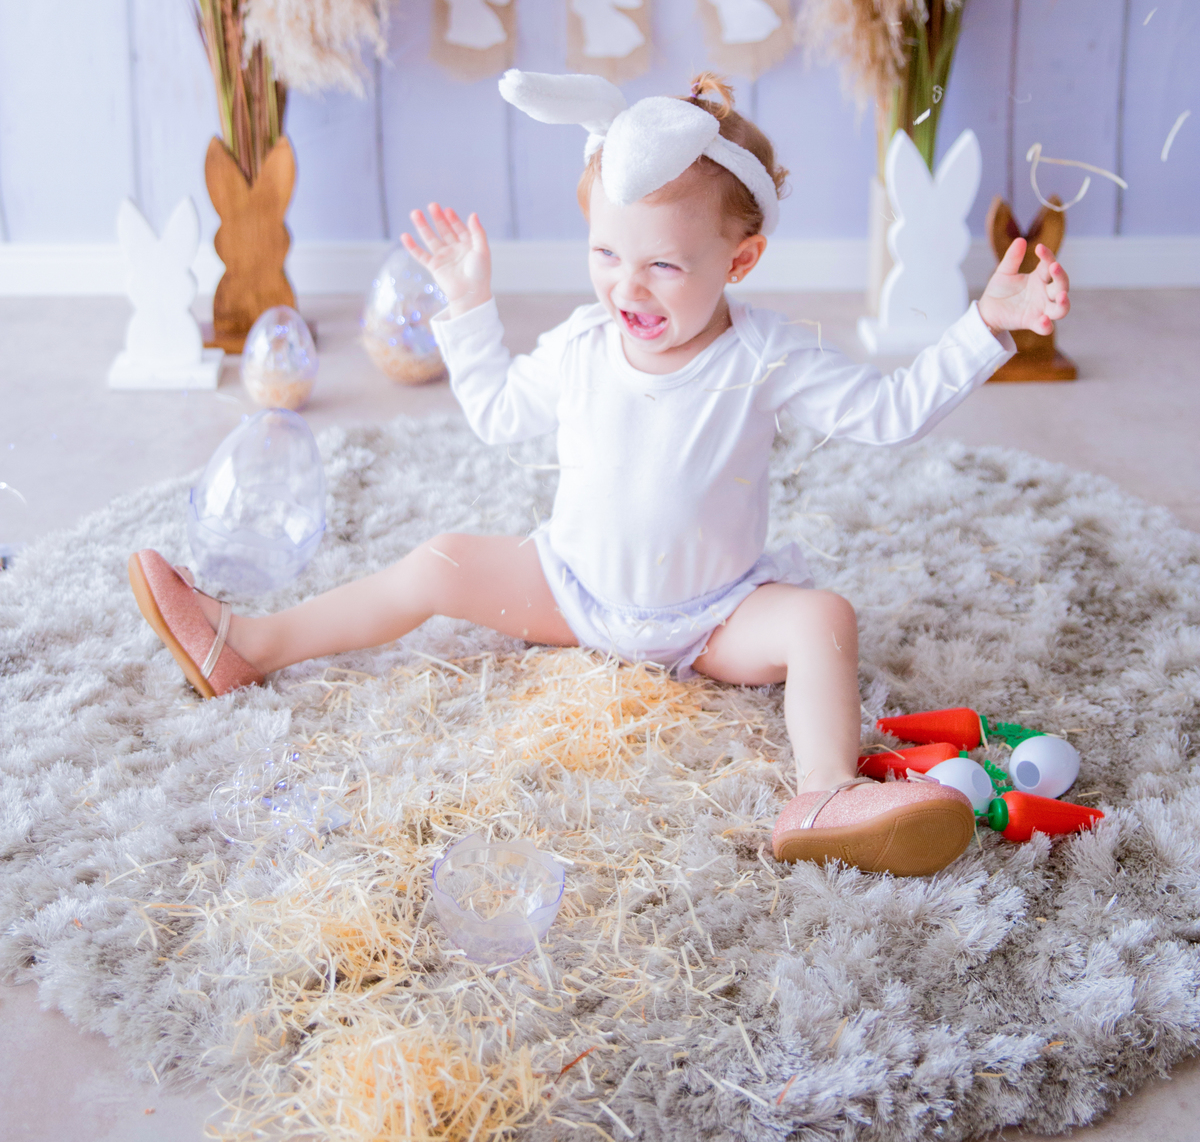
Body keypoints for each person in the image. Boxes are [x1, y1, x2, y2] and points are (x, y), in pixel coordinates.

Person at [129, 70, 1071, 877]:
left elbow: (893, 413)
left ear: (741, 258)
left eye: (664, 264)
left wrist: (986, 327)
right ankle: (250, 642)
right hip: (572, 590)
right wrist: (469, 307)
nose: (628, 286)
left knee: (823, 617)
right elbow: (498, 416)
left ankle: (822, 798)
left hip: (711, 620)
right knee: (439, 560)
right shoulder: (584, 345)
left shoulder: (767, 355)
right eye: (607, 254)